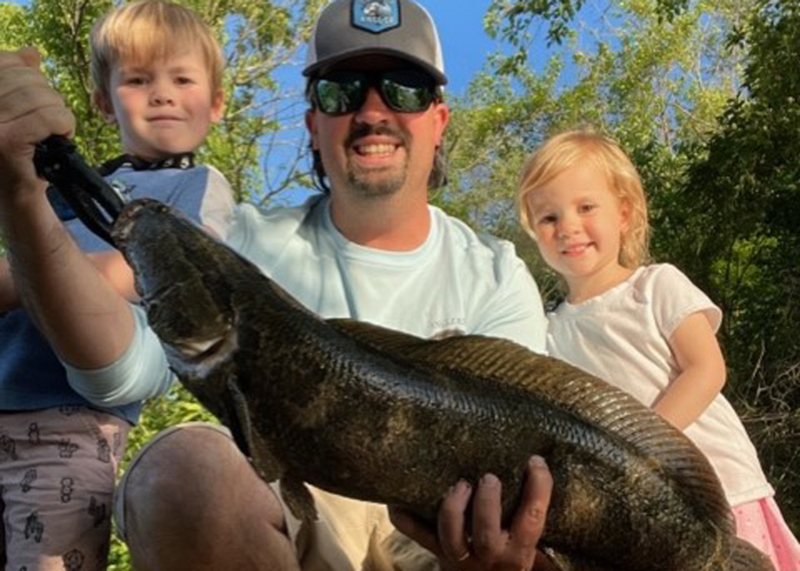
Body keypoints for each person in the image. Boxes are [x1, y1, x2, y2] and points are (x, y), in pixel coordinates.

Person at [0, 0, 555, 570]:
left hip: (440, 532)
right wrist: (24, 203)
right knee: (179, 470)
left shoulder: (496, 274)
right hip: (293, 521)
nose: (372, 110)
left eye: (404, 88)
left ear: (438, 120)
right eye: (341, 89)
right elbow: (124, 372)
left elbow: (530, 465)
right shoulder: (238, 241)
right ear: (314, 122)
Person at [0, 1, 235, 569]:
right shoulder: (62, 178)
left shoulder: (200, 187)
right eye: (137, 79)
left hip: (70, 420)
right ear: (104, 103)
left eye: (182, 78)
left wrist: (19, 279)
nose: (162, 93)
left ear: (217, 104)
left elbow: (158, 275)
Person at [516, 127, 800, 570]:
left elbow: (706, 369)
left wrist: (641, 448)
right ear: (534, 232)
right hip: (644, 515)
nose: (568, 226)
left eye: (586, 207)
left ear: (624, 214)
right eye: (548, 218)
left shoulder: (656, 285)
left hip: (722, 488)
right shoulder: (549, 331)